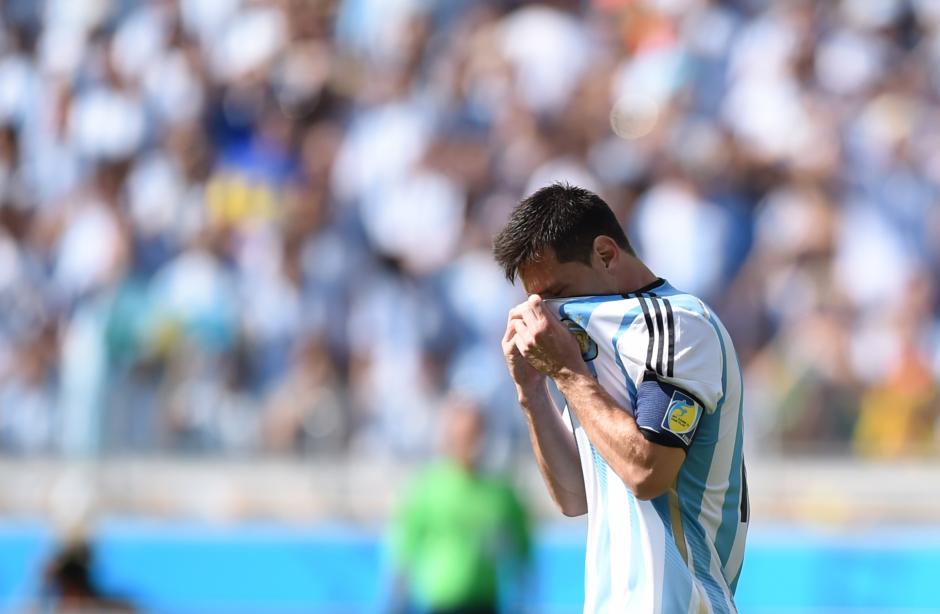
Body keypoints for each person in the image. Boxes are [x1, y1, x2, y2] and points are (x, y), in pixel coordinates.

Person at [493, 183, 748, 612]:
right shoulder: (595, 345)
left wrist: (567, 372)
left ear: (606, 254)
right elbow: (576, 498)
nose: (550, 313)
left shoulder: (679, 325)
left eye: (557, 294)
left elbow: (647, 472)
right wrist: (531, 391)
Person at [389, 396, 531, 614]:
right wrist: (398, 600)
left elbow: (522, 550)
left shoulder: (500, 492)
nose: (470, 441)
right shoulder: (429, 487)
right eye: (463, 435)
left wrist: (523, 598)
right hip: (441, 602)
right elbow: (406, 547)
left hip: (485, 601)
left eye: (475, 433)